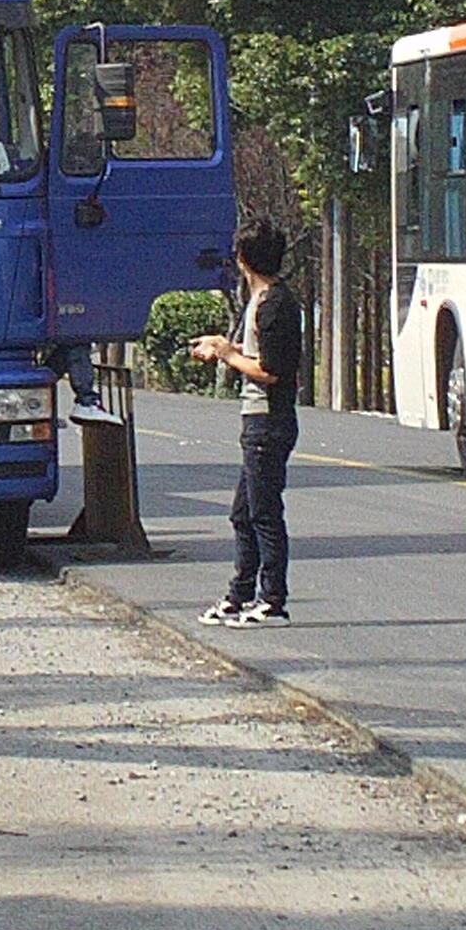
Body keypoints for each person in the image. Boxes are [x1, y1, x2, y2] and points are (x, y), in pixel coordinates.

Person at [193, 220, 305, 626]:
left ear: (243, 260)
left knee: (264, 514)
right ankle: (238, 597)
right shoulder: (261, 302)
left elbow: (271, 370)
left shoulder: (275, 304)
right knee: (243, 513)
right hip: (257, 422)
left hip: (268, 422)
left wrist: (227, 355)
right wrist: (222, 347)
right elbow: (257, 351)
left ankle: (273, 599)